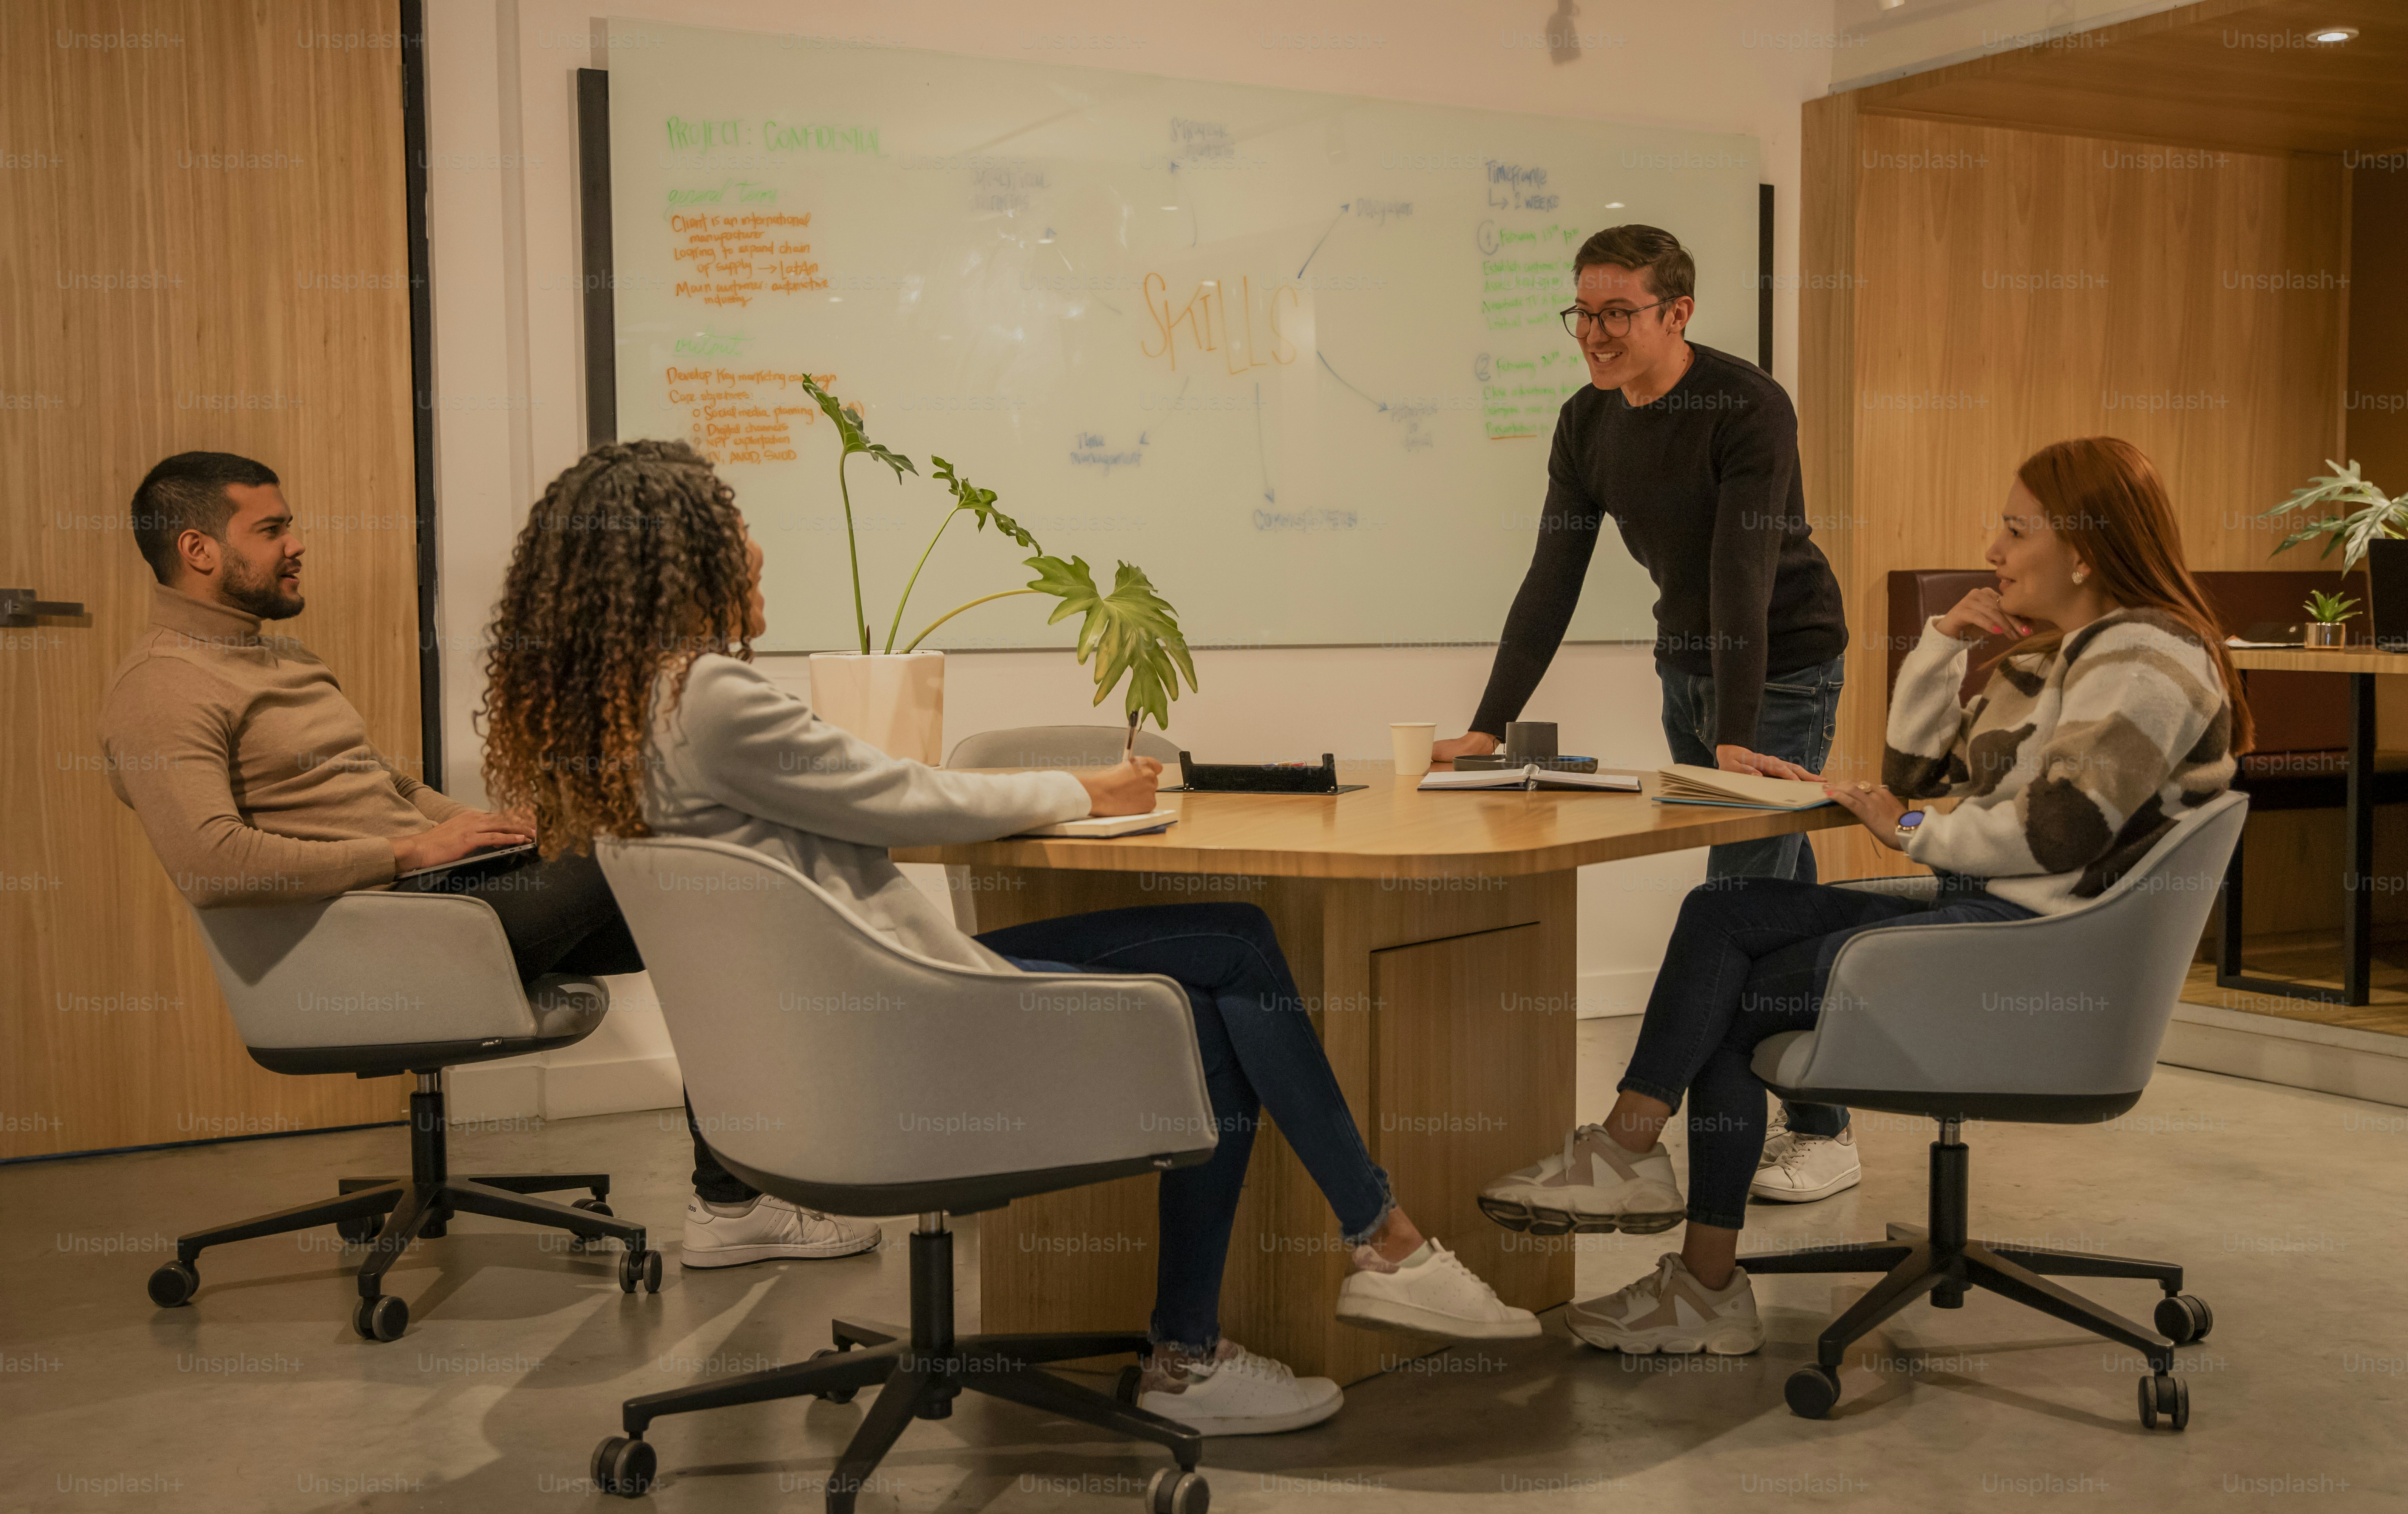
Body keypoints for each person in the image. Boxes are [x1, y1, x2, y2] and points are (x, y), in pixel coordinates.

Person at [477, 438, 1539, 1437]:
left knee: (1217, 981)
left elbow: (865, 797)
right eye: (733, 524)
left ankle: (1248, 1322)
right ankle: (1351, 1261)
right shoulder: (706, 697)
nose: (753, 544)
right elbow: (904, 795)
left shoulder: (618, 720)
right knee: (1231, 953)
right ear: (680, 558)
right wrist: (1089, 789)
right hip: (908, 1038)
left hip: (822, 1060)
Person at [1478, 437, 2246, 1354]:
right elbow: (1914, 773)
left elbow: (2056, 831)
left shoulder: (2146, 656)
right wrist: (1938, 649)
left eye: (2014, 530)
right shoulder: (2052, 660)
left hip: (2037, 954)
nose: (1992, 551)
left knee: (1731, 998)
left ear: (2081, 550)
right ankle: (1635, 1167)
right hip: (1988, 915)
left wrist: (1911, 830)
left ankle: (1681, 1246)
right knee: (1722, 913)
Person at [95, 450, 877, 1270]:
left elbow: (387, 785)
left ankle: (736, 1201)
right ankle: (739, 1202)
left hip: (434, 901)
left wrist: (479, 826)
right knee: (664, 850)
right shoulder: (163, 687)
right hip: (368, 940)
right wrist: (409, 848)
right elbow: (212, 863)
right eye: (272, 529)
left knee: (715, 913)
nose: (297, 544)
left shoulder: (278, 658)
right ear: (199, 550)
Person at [1435, 223, 1863, 1206]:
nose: (1593, 334)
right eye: (1581, 313)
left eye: (1616, 314)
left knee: (1732, 904)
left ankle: (1645, 1137)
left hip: (1781, 666)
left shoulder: (1745, 406)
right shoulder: (1586, 421)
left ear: (1677, 314)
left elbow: (1740, 576)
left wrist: (1737, 737)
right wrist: (1488, 725)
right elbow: (1551, 578)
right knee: (1775, 889)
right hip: (1686, 670)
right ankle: (1824, 1124)